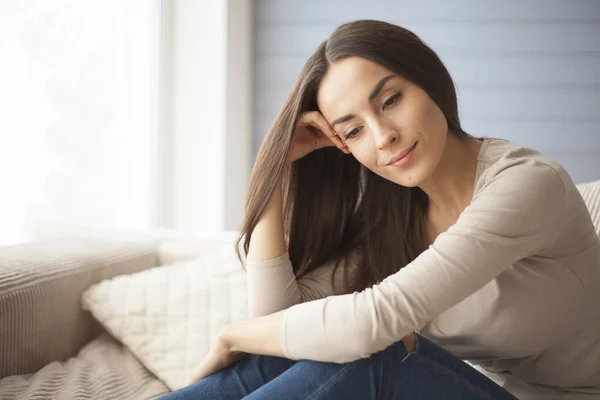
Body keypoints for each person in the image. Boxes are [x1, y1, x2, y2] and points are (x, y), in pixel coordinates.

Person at [159, 20, 600, 399]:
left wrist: (231, 334)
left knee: (370, 354)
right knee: (324, 345)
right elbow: (279, 327)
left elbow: (372, 323)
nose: (382, 135)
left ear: (430, 81)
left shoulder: (525, 184)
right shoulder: (394, 223)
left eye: (390, 101)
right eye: (353, 131)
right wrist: (273, 170)